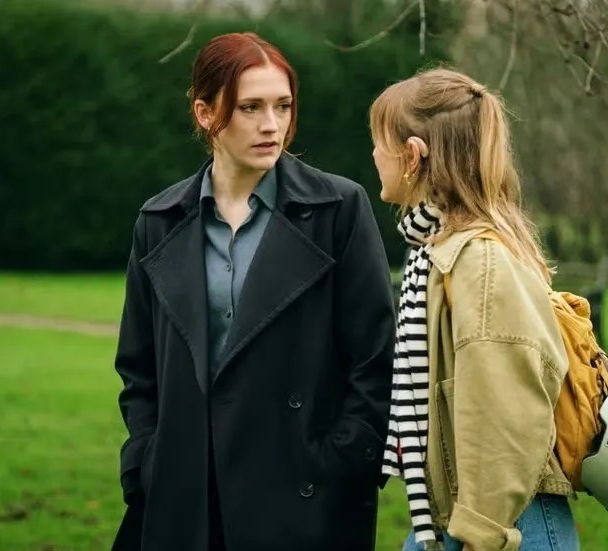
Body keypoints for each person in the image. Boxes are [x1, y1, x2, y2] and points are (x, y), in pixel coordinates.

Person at [111, 32, 396, 551]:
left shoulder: (338, 210)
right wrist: (145, 463)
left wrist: (340, 464)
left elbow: (375, 361)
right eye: (250, 107)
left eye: (282, 106)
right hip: (185, 499)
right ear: (205, 113)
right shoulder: (159, 220)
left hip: (302, 500)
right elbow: (138, 367)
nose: (272, 124)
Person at [370, 67, 580, 551]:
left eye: (380, 142)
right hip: (464, 516)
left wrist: (483, 532)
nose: (375, 155)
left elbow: (505, 410)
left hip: (503, 525)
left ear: (412, 155)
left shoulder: (478, 260)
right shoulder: (437, 249)